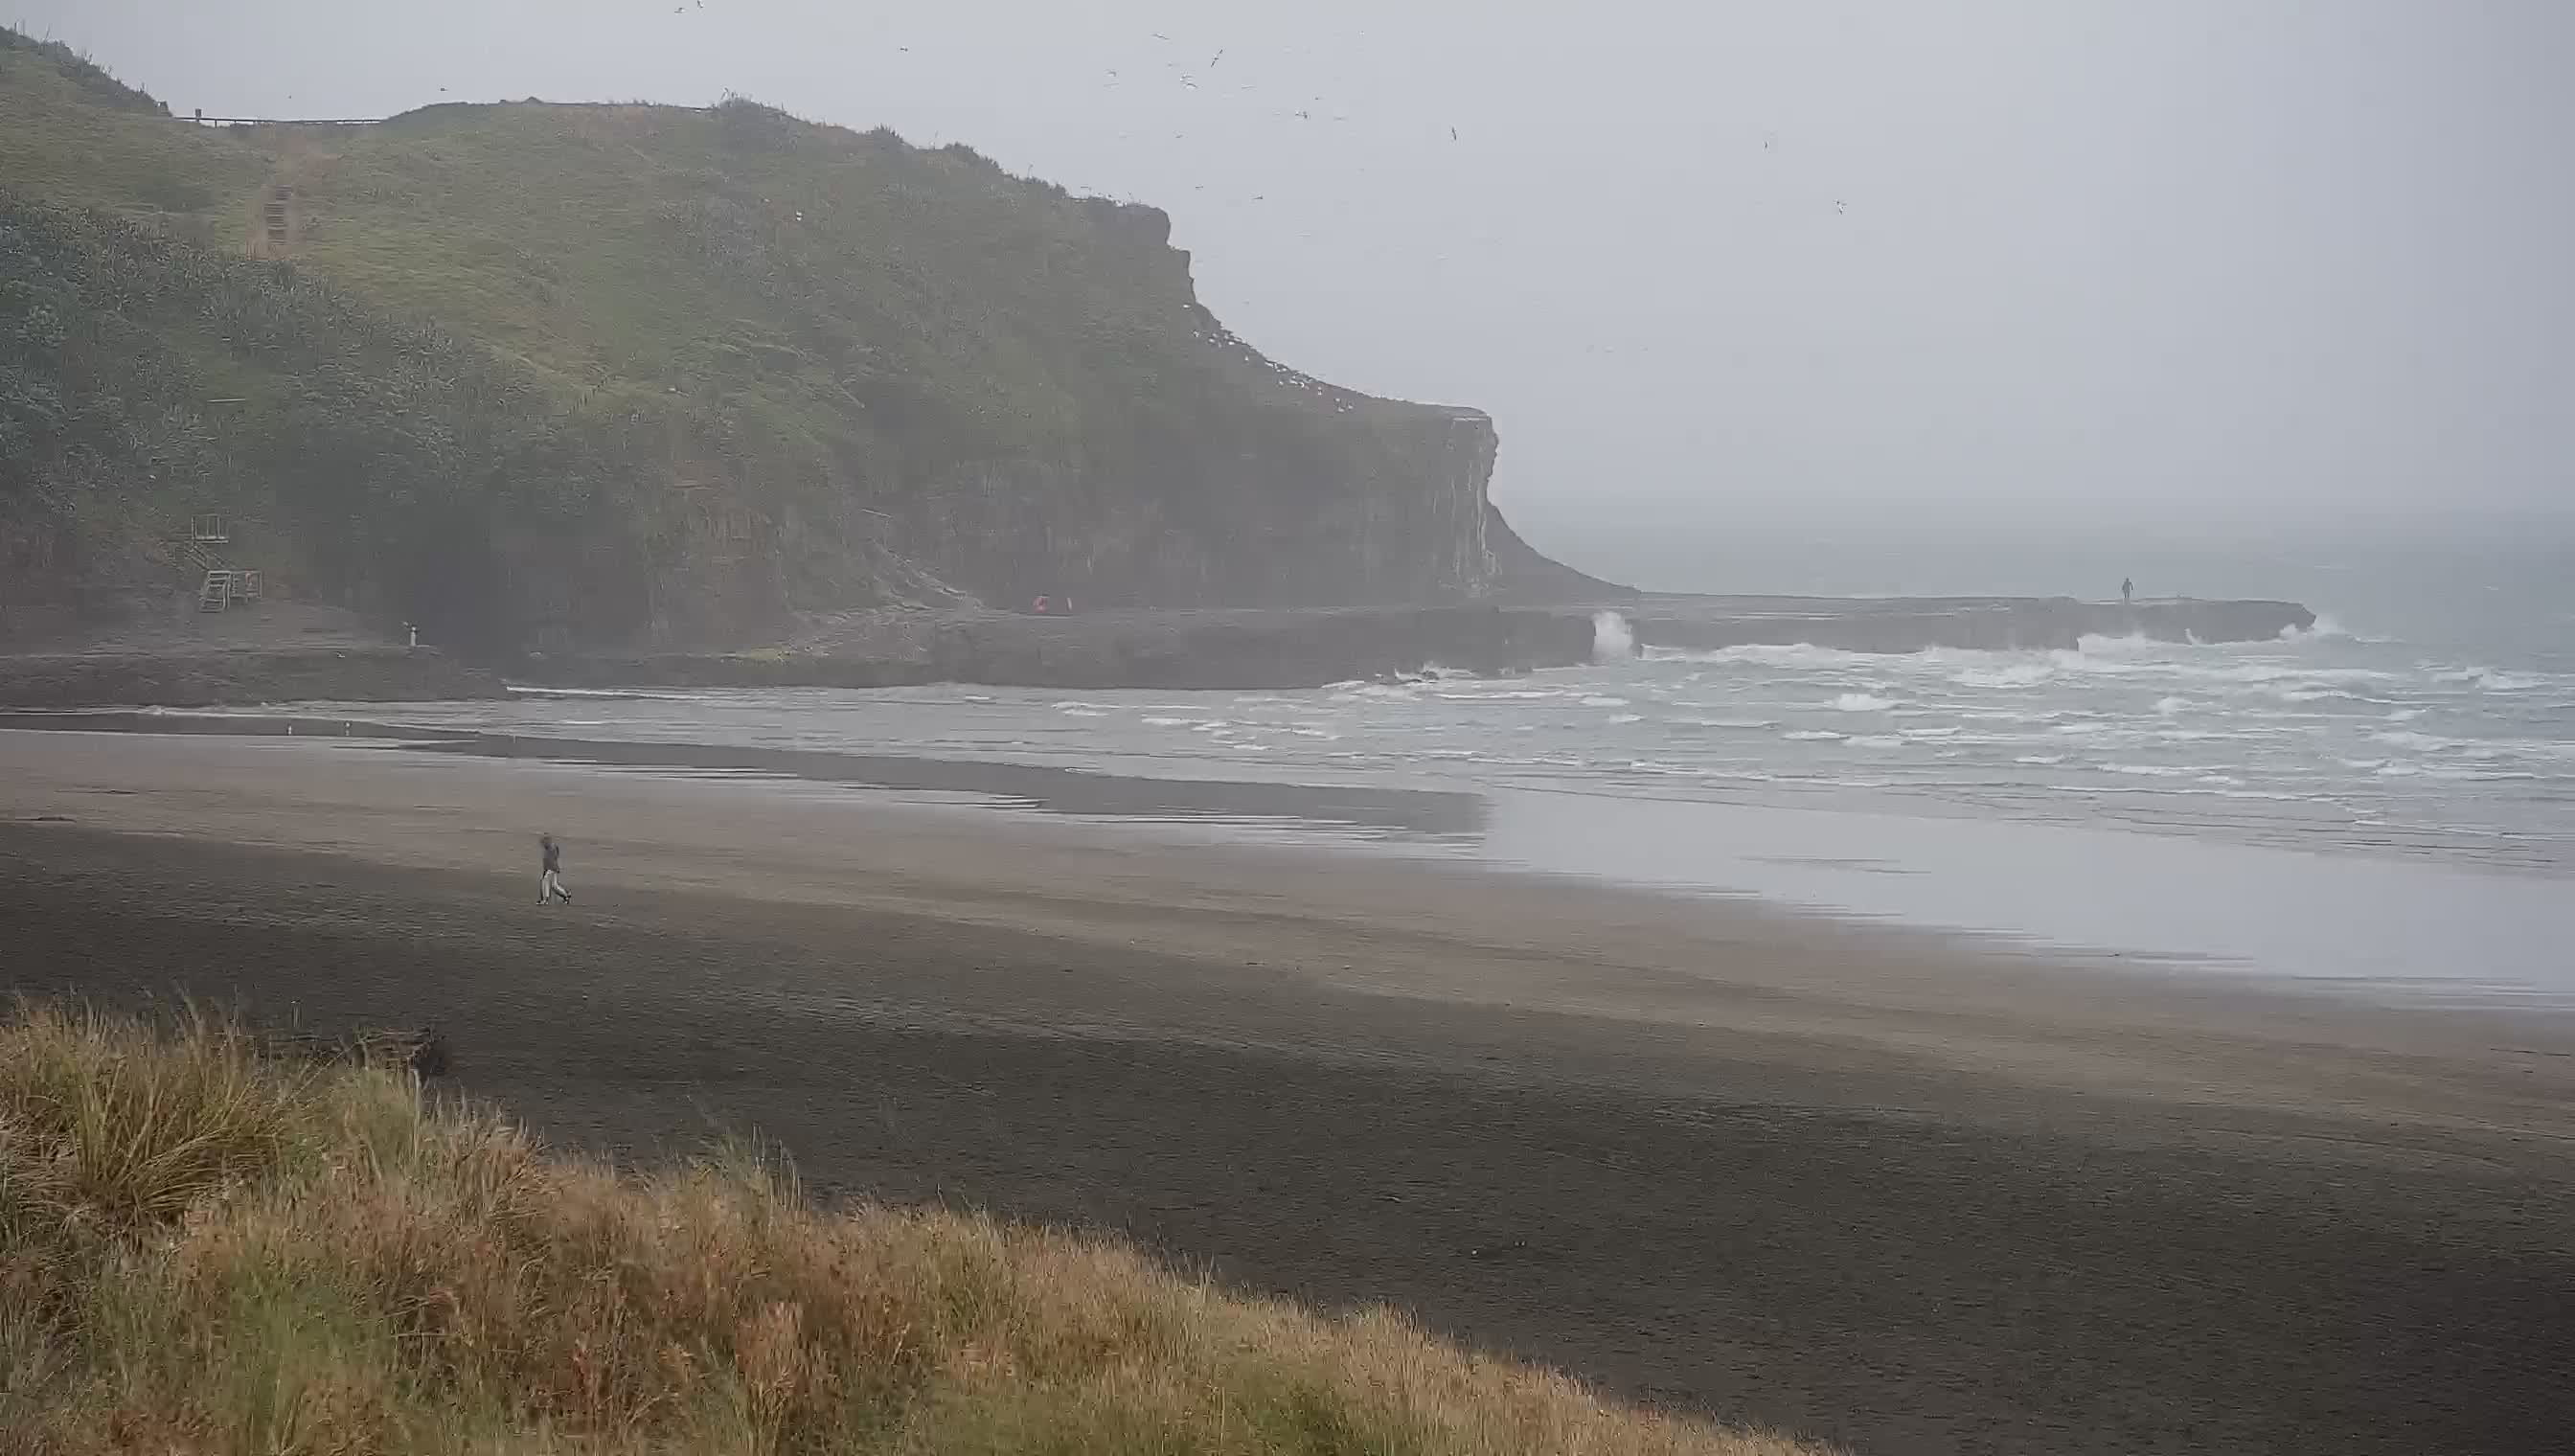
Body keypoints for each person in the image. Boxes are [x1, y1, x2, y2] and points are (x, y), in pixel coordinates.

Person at [537, 833, 572, 905]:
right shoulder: (551, 848)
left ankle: (545, 900)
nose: (542, 844)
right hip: (554, 868)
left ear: (547, 841)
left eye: (543, 842)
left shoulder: (551, 849)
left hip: (551, 868)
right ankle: (566, 895)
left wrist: (546, 870)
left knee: (545, 882)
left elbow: (549, 860)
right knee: (554, 885)